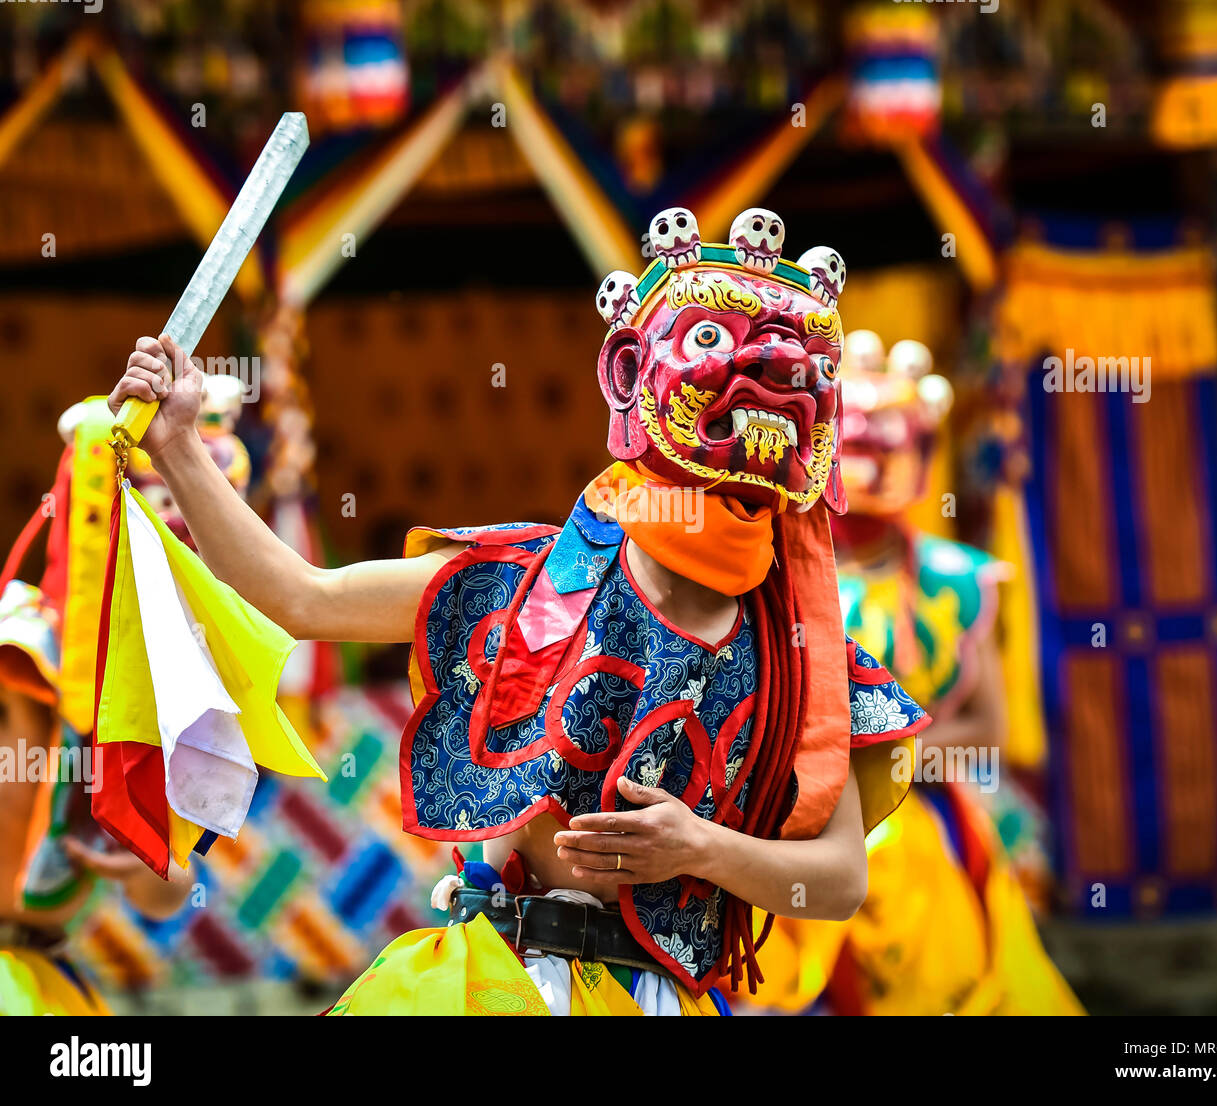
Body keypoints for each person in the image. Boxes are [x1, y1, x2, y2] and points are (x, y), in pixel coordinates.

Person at [107, 207, 928, 1015]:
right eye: (714, 339)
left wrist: (700, 848)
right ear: (630, 372)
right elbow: (297, 597)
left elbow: (838, 880)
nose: (770, 372)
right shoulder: (520, 580)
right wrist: (177, 444)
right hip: (492, 980)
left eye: (803, 362)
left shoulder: (797, 653)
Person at [748, 331, 1083, 1015]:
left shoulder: (954, 579)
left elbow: (987, 729)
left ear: (924, 452)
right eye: (856, 441)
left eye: (888, 441)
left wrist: (872, 762)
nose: (869, 460)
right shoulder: (770, 567)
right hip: (787, 807)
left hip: (917, 807)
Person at [0, 581, 192, 1015]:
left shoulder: (81, 811)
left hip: (45, 990)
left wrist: (148, 860)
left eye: (1, 714)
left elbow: (168, 891)